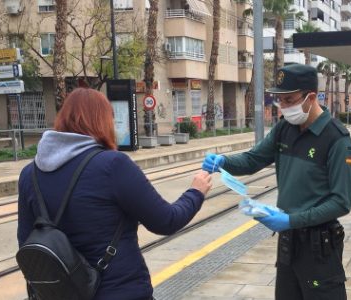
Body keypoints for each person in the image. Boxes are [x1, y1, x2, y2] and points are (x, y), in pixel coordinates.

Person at [17, 88, 212, 299]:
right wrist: (195, 192)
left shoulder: (30, 174)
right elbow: (166, 221)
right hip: (118, 290)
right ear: (102, 122)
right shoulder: (112, 165)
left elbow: (26, 242)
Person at [203, 64, 351, 300]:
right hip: (288, 242)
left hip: (319, 246)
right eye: (280, 101)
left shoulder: (337, 139)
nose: (283, 107)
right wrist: (223, 161)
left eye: (289, 100)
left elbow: (341, 202)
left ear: (311, 97)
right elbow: (253, 159)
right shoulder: (285, 129)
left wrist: (290, 220)